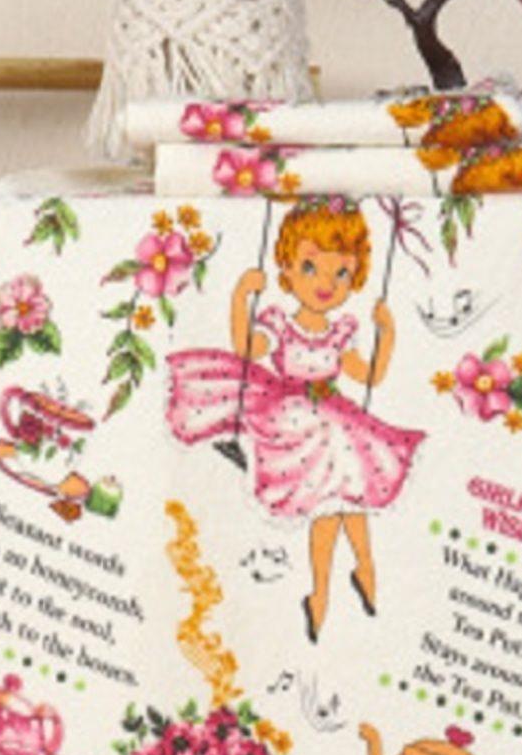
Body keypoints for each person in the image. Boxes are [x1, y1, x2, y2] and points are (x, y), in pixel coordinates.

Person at [166, 198, 423, 641]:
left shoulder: (341, 332)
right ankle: (327, 588)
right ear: (286, 269)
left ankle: (355, 572)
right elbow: (247, 349)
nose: (325, 283)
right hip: (293, 418)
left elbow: (370, 376)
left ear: (355, 277)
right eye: (310, 267)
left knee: (351, 492)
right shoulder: (282, 324)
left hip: (334, 418)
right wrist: (241, 297)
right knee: (334, 499)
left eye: (341, 273)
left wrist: (389, 333)